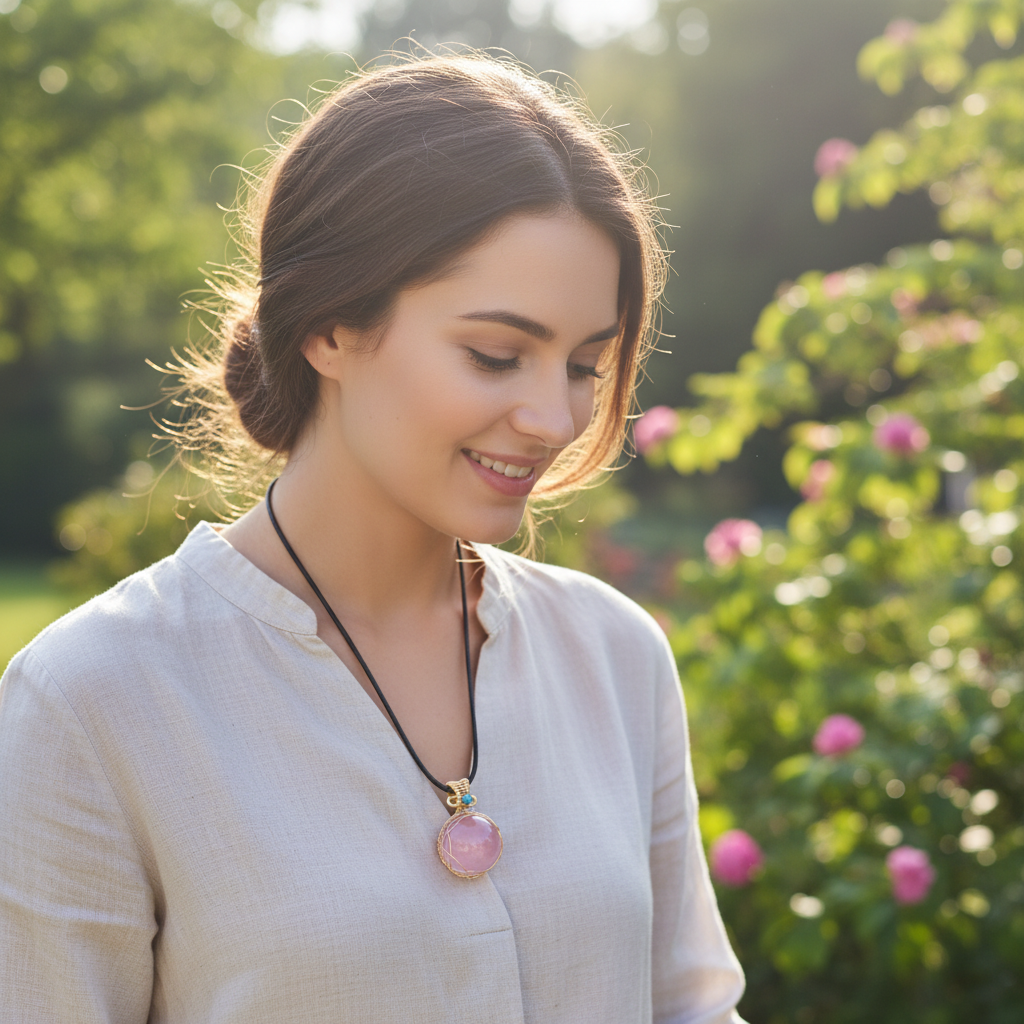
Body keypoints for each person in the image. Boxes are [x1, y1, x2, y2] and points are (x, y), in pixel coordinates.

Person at [0, 54, 746, 1023]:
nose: (554, 418)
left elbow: (691, 1008)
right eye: (496, 355)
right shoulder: (95, 699)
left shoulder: (613, 654)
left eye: (583, 366)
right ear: (329, 328)